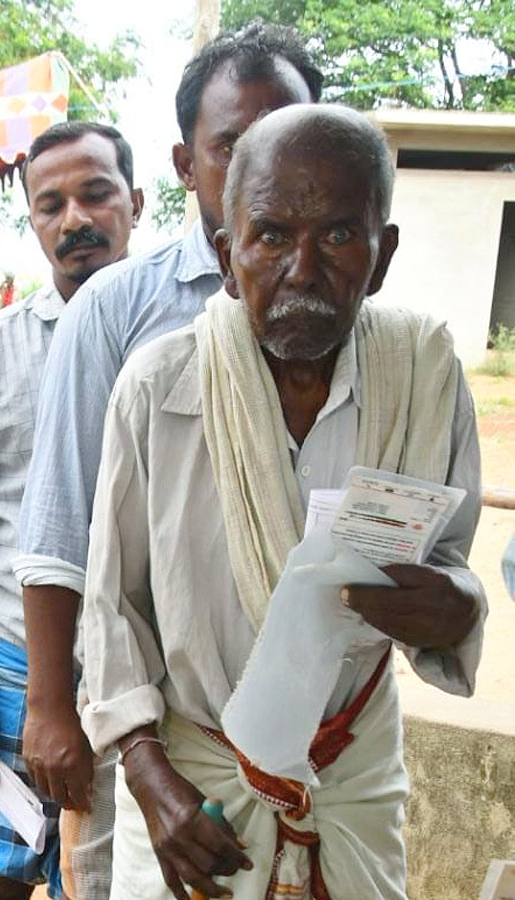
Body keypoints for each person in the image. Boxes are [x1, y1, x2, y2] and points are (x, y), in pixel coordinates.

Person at [84, 103, 486, 900]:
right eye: (271, 236)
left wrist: (455, 609)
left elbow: (450, 566)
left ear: (383, 255)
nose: (303, 267)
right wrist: (150, 782)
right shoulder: (161, 389)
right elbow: (111, 609)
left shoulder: (425, 375)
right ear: (229, 257)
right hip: (193, 791)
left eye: (338, 235)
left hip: (352, 778)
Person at [11, 25, 323, 900]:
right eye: (235, 147)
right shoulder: (119, 309)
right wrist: (52, 707)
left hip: (311, 724)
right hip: (149, 719)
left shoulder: (347, 308)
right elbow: (61, 524)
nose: (269, 166)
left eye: (289, 133)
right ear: (188, 167)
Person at [0, 120, 142, 900]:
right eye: (51, 204)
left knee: (117, 881)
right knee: (0, 877)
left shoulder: (181, 339)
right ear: (33, 224)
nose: (75, 218)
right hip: (14, 663)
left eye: (95, 193)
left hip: (144, 675)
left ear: (137, 203)